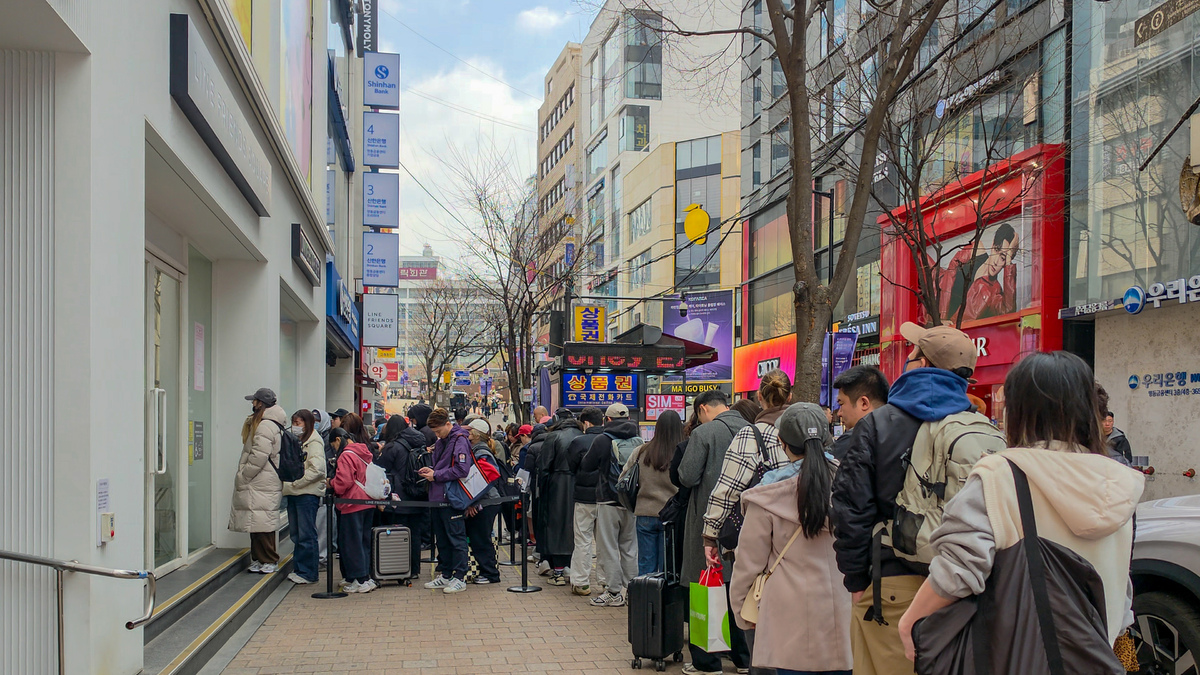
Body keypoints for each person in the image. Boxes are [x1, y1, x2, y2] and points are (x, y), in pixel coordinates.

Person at [897, 351, 1145, 665]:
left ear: (1020, 410)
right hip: (1096, 657)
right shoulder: (1122, 482)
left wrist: (909, 622)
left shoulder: (1000, 475)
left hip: (1017, 656)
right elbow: (1122, 590)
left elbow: (959, 569)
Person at [830, 322, 978, 675]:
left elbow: (851, 509)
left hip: (888, 582)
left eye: (912, 354)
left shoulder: (880, 424)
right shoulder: (974, 424)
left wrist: (855, 581)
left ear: (922, 365)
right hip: (959, 586)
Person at [730, 403, 851, 675]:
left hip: (787, 614)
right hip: (844, 610)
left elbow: (748, 562)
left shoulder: (767, 495)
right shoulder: (851, 485)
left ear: (781, 442)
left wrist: (741, 610)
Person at [678, 390, 753, 675]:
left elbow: (687, 475)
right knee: (740, 589)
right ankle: (744, 658)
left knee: (704, 587)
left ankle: (706, 662)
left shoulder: (704, 433)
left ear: (703, 409)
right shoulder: (755, 431)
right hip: (747, 524)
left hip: (708, 523)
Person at [702, 370, 796, 576]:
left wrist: (710, 535)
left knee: (755, 598)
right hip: (804, 532)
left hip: (761, 536)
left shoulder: (751, 435)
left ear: (759, 396)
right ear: (789, 396)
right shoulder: (805, 429)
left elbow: (727, 489)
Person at [580, 403, 642, 606]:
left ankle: (614, 592)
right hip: (632, 501)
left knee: (608, 547)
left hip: (608, 498)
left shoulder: (602, 440)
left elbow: (587, 465)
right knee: (630, 548)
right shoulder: (639, 440)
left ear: (607, 420)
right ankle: (632, 590)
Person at [228, 388, 287, 574]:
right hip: (262, 480)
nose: (252, 404)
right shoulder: (268, 423)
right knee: (257, 522)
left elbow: (259, 455)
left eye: (254, 401)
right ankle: (260, 559)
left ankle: (268, 559)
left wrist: (244, 475)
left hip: (262, 480)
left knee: (263, 523)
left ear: (260, 403)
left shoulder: (266, 425)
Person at [418, 408, 472, 594]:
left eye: (438, 431)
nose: (437, 435)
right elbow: (444, 465)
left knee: (455, 538)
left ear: (448, 424)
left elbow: (462, 470)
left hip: (451, 497)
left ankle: (460, 577)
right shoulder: (444, 441)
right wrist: (431, 470)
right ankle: (447, 574)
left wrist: (436, 474)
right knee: (442, 538)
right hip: (439, 495)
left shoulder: (460, 440)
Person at [624, 410, 682, 576]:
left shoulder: (641, 451)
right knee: (668, 568)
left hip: (645, 512)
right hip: (672, 515)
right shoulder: (683, 451)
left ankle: (645, 599)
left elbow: (624, 477)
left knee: (645, 565)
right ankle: (665, 601)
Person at [375, 415, 430, 578]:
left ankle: (398, 567)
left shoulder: (392, 447)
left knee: (397, 535)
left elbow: (380, 469)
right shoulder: (419, 443)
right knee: (414, 535)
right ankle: (414, 569)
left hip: (399, 499)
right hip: (418, 496)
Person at [536, 409, 584, 585]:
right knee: (576, 527)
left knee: (555, 526)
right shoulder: (581, 434)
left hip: (556, 485)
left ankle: (557, 571)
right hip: (579, 486)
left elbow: (544, 466)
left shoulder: (553, 436)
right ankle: (571, 567)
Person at [329, 433, 377, 593]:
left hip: (352, 502)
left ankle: (359, 579)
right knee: (363, 541)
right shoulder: (364, 451)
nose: (335, 449)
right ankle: (366, 577)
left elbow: (344, 482)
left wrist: (331, 483)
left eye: (334, 446)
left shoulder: (346, 455)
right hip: (368, 501)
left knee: (352, 542)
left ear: (338, 439)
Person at [567, 406, 608, 596]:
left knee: (582, 540)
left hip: (584, 498)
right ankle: (607, 582)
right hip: (607, 498)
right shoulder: (610, 440)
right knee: (605, 542)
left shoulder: (578, 442)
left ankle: (581, 582)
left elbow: (572, 467)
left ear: (586, 423)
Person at [283, 409, 327, 585]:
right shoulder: (298, 441)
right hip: (294, 493)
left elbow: (317, 470)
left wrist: (295, 483)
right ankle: (301, 569)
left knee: (306, 534)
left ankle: (308, 572)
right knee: (297, 534)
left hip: (306, 494)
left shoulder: (314, 442)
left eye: (298, 423)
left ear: (307, 424)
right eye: (293, 423)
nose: (295, 427)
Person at [940, 223, 1018, 321]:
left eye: (1002, 258)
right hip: (936, 295)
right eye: (996, 250)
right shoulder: (976, 249)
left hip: (951, 329)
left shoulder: (995, 291)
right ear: (992, 244)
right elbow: (950, 273)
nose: (996, 261)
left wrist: (1009, 260)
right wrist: (941, 317)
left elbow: (1008, 311)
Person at [465, 419, 503, 585]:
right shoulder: (480, 449)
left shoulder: (481, 452)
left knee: (480, 538)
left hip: (485, 502)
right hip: (486, 501)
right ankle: (488, 571)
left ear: (474, 434)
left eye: (469, 431)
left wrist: (474, 502)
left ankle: (490, 573)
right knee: (480, 537)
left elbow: (484, 480)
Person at [830, 365, 890, 461]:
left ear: (864, 403)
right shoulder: (904, 435)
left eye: (841, 404)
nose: (839, 413)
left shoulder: (852, 442)